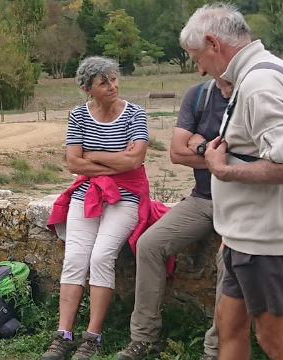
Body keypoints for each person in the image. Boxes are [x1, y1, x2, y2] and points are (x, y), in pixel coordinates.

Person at [181, 3, 283, 359]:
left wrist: (222, 171)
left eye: (197, 57)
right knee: (230, 325)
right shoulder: (263, 70)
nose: (199, 67)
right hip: (247, 235)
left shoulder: (259, 83)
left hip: (264, 240)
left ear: (213, 43)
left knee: (275, 339)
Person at [42, 56, 165, 360]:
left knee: (100, 257)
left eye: (114, 79)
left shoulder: (134, 114)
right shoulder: (80, 116)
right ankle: (64, 334)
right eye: (104, 82)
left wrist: (93, 156)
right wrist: (114, 159)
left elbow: (134, 161)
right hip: (88, 194)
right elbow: (73, 162)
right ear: (87, 89)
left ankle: (92, 337)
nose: (113, 86)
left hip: (127, 196)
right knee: (74, 258)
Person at [118, 78, 233, 360]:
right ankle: (144, 340)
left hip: (240, 204)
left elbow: (245, 159)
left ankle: (216, 350)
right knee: (150, 244)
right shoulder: (199, 95)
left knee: (228, 260)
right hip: (202, 198)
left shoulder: (251, 92)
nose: (198, 65)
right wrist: (212, 151)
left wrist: (198, 144)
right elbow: (176, 153)